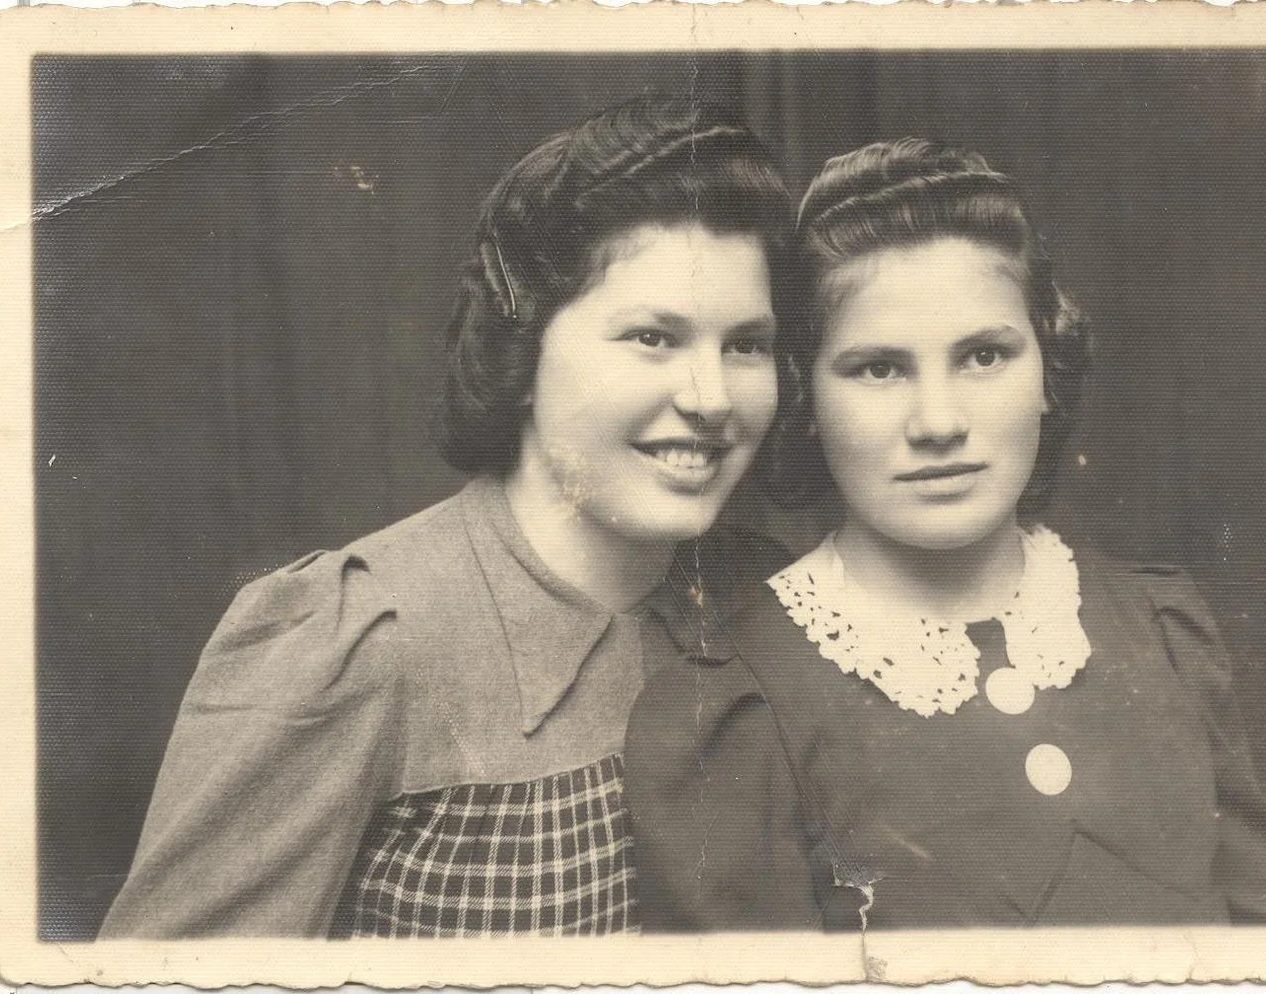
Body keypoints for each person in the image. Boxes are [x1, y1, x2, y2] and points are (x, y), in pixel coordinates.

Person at [100, 96, 793, 939]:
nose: (712, 399)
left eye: (745, 345)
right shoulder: (359, 643)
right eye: (653, 337)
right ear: (523, 349)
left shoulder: (773, 603)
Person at [623, 139, 1266, 930]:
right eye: (878, 368)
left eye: (984, 355)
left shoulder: (1161, 629)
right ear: (804, 398)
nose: (939, 423)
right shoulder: (736, 712)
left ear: (1046, 367)